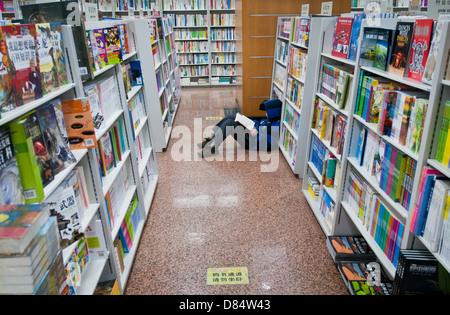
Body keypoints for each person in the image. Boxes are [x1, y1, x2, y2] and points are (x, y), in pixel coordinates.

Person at [198, 99, 282, 157]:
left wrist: (256, 132)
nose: (265, 114)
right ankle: (212, 139)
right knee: (231, 116)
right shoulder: (270, 120)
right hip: (252, 135)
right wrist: (251, 124)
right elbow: (259, 124)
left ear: (274, 113)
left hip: (252, 142)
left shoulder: (276, 127)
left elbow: (269, 144)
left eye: (267, 113)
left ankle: (213, 148)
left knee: (229, 123)